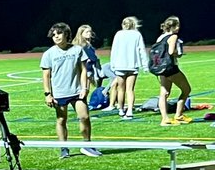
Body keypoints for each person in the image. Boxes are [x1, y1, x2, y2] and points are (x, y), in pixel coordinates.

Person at [40, 23, 101, 159]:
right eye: (53, 35)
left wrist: (84, 88)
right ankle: (63, 148)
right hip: (59, 93)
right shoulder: (48, 54)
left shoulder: (77, 50)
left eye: (59, 33)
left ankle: (87, 145)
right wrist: (48, 94)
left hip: (77, 91)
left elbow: (83, 70)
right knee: (61, 119)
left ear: (66, 34)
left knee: (84, 117)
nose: (56, 37)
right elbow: (46, 76)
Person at [108, 15, 150, 118]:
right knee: (130, 89)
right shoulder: (137, 34)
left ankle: (121, 109)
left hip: (120, 66)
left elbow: (114, 50)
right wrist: (145, 65)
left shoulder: (118, 34)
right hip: (132, 66)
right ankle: (130, 110)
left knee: (121, 89)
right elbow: (142, 50)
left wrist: (113, 64)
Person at [153, 16, 191, 127]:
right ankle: (178, 115)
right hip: (171, 68)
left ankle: (164, 119)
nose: (179, 28)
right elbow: (171, 52)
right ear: (174, 26)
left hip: (161, 68)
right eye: (178, 25)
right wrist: (178, 53)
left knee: (164, 93)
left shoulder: (160, 37)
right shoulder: (173, 36)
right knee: (186, 89)